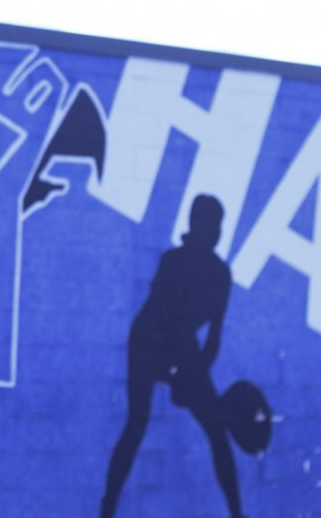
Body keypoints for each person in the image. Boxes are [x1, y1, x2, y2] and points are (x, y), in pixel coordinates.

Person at [99, 194, 246, 518]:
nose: (212, 231)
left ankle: (237, 513)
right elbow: (163, 321)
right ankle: (107, 506)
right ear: (195, 226)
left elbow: (213, 340)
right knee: (137, 424)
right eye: (206, 224)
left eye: (216, 225)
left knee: (216, 429)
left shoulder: (221, 276)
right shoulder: (173, 261)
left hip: (183, 349)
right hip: (148, 344)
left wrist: (192, 375)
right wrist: (180, 374)